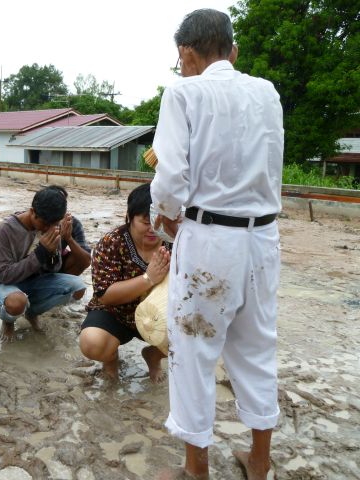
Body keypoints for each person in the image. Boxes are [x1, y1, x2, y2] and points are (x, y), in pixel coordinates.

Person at [150, 9, 284, 480]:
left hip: (211, 240)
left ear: (187, 54)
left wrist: (164, 218)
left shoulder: (184, 91)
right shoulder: (267, 93)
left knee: (193, 352)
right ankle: (259, 461)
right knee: (257, 347)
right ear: (233, 50)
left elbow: (170, 179)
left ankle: (196, 468)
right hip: (264, 239)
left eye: (180, 58)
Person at [79, 184, 170, 382]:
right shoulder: (111, 242)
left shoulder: (175, 241)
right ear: (129, 217)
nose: (153, 229)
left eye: (159, 221)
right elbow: (105, 295)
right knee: (92, 343)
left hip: (159, 314)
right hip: (116, 313)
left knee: (196, 332)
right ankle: (110, 359)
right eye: (145, 222)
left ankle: (153, 356)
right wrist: (149, 278)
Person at [0, 186, 87, 341]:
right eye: (45, 223)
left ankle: (32, 313)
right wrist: (40, 253)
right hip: (4, 284)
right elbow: (4, 275)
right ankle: (8, 321)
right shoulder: (7, 228)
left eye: (53, 224)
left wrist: (51, 253)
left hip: (34, 282)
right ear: (32, 211)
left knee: (77, 286)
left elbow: (55, 268)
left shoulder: (55, 227)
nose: (48, 228)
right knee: (17, 301)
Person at [46, 185, 92, 276]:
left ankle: (61, 284)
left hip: (57, 263)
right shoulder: (37, 220)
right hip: (35, 264)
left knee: (79, 257)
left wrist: (68, 238)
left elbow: (87, 261)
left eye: (63, 204)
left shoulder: (72, 223)